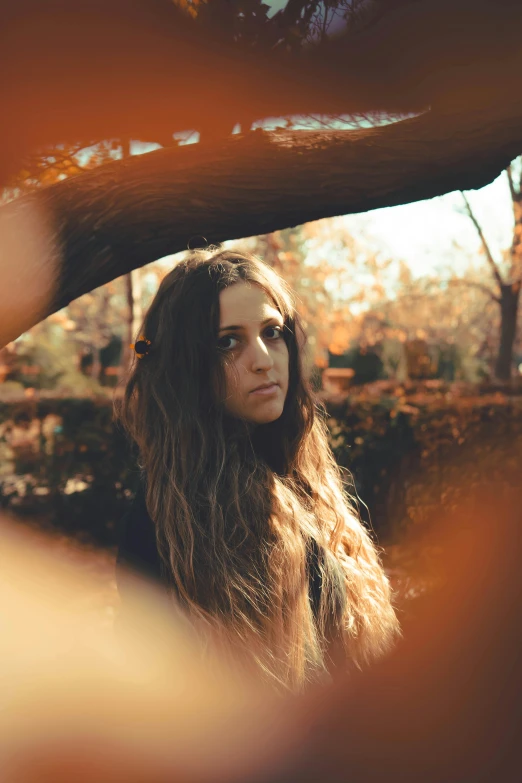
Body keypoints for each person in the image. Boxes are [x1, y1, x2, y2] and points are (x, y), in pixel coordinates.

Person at [114, 247, 400, 691]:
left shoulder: (312, 480)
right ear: (186, 365)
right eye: (227, 341)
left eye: (273, 332)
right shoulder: (164, 523)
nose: (263, 358)